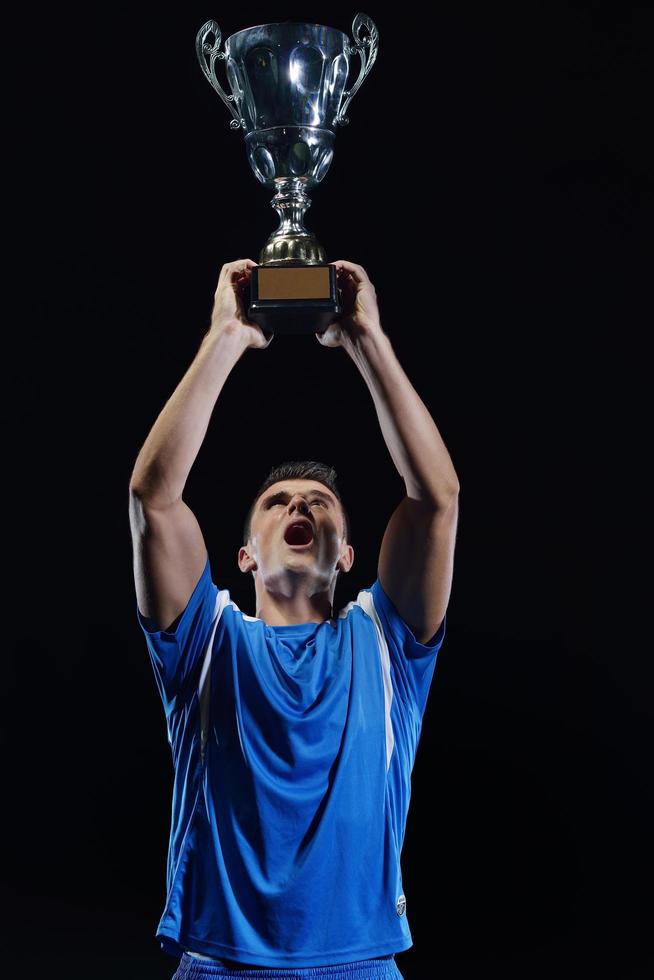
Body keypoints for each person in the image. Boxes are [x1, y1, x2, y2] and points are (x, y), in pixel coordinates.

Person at [129, 259, 460, 979]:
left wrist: (367, 340)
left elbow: (436, 500)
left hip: (362, 962)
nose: (299, 506)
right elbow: (152, 500)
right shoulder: (205, 643)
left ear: (347, 556)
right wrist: (225, 337)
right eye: (278, 503)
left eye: (318, 502)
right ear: (244, 557)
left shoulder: (385, 646)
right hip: (219, 963)